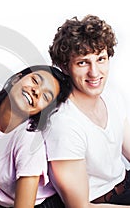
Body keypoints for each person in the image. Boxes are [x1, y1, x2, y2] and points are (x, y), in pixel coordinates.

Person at [44, 14, 130, 208]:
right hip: (101, 203)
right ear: (65, 67)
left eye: (101, 59)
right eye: (83, 62)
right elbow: (79, 206)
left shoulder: (111, 95)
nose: (95, 72)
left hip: (125, 185)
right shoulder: (63, 124)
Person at [0, 65, 72, 208]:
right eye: (35, 81)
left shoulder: (29, 142)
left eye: (45, 96)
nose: (36, 91)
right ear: (16, 78)